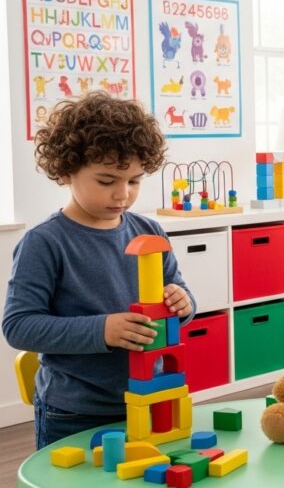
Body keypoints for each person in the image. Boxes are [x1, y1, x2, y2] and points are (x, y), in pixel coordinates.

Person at [2, 92, 196, 449]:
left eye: (134, 181)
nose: (122, 194)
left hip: (149, 398)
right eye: (106, 181)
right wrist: (102, 330)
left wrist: (183, 303)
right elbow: (18, 326)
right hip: (75, 411)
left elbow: (179, 296)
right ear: (66, 171)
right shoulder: (44, 242)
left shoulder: (150, 231)